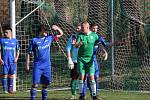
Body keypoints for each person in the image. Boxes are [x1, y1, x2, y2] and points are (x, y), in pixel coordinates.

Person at [26, 25, 63, 100]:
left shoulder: (49, 38)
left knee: (45, 84)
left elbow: (61, 33)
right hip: (37, 66)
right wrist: (27, 65)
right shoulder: (34, 40)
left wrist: (57, 28)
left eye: (47, 30)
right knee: (35, 84)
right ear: (40, 31)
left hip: (47, 66)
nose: (46, 31)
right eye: (45, 30)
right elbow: (28, 53)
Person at [75, 22, 101, 100]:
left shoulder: (94, 35)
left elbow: (99, 43)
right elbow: (76, 46)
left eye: (83, 27)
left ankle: (94, 95)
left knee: (92, 77)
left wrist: (104, 51)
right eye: (81, 27)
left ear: (88, 27)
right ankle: (81, 95)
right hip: (81, 59)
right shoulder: (80, 35)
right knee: (82, 77)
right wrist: (78, 44)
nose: (82, 29)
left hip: (90, 59)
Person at [83, 23, 108, 99]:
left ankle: (95, 95)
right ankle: (83, 95)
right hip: (85, 59)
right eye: (93, 28)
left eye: (96, 28)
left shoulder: (97, 37)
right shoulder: (85, 36)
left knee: (96, 77)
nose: (95, 30)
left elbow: (103, 44)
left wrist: (105, 52)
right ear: (89, 28)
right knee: (85, 77)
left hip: (93, 60)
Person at [0, 26, 20, 93]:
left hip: (12, 61)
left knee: (11, 74)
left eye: (6, 32)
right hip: (4, 60)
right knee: (4, 74)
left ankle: (10, 89)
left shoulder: (15, 41)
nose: (5, 34)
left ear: (10, 33)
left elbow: (18, 49)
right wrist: (0, 59)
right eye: (4, 32)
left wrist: (16, 58)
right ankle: (4, 90)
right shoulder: (2, 40)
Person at [66, 24, 81, 99]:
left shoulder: (85, 37)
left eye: (78, 28)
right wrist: (69, 59)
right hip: (75, 61)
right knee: (74, 78)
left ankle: (85, 93)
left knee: (84, 78)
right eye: (76, 28)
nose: (77, 29)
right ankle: (73, 94)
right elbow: (68, 48)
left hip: (84, 61)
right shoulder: (73, 37)